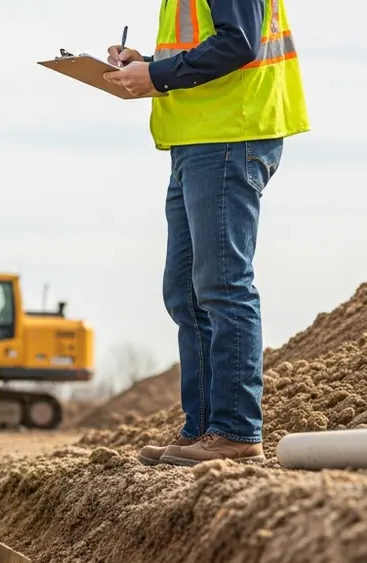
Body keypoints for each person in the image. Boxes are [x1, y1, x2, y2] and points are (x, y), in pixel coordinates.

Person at [102, 0, 310, 466]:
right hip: (199, 139)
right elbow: (204, 44)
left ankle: (236, 430)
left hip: (229, 135)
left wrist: (157, 75)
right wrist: (149, 66)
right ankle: (201, 431)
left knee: (222, 285)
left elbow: (238, 42)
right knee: (185, 292)